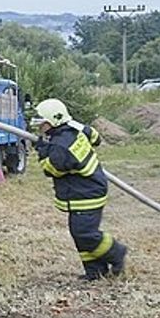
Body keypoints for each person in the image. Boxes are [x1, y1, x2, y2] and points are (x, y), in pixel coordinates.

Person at [34, 98, 127, 280]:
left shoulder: (61, 146)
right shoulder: (75, 128)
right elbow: (95, 137)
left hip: (85, 195)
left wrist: (43, 150)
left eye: (42, 123)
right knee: (79, 234)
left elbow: (52, 169)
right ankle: (95, 271)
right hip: (88, 189)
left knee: (85, 234)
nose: (39, 127)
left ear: (52, 122)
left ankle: (116, 252)